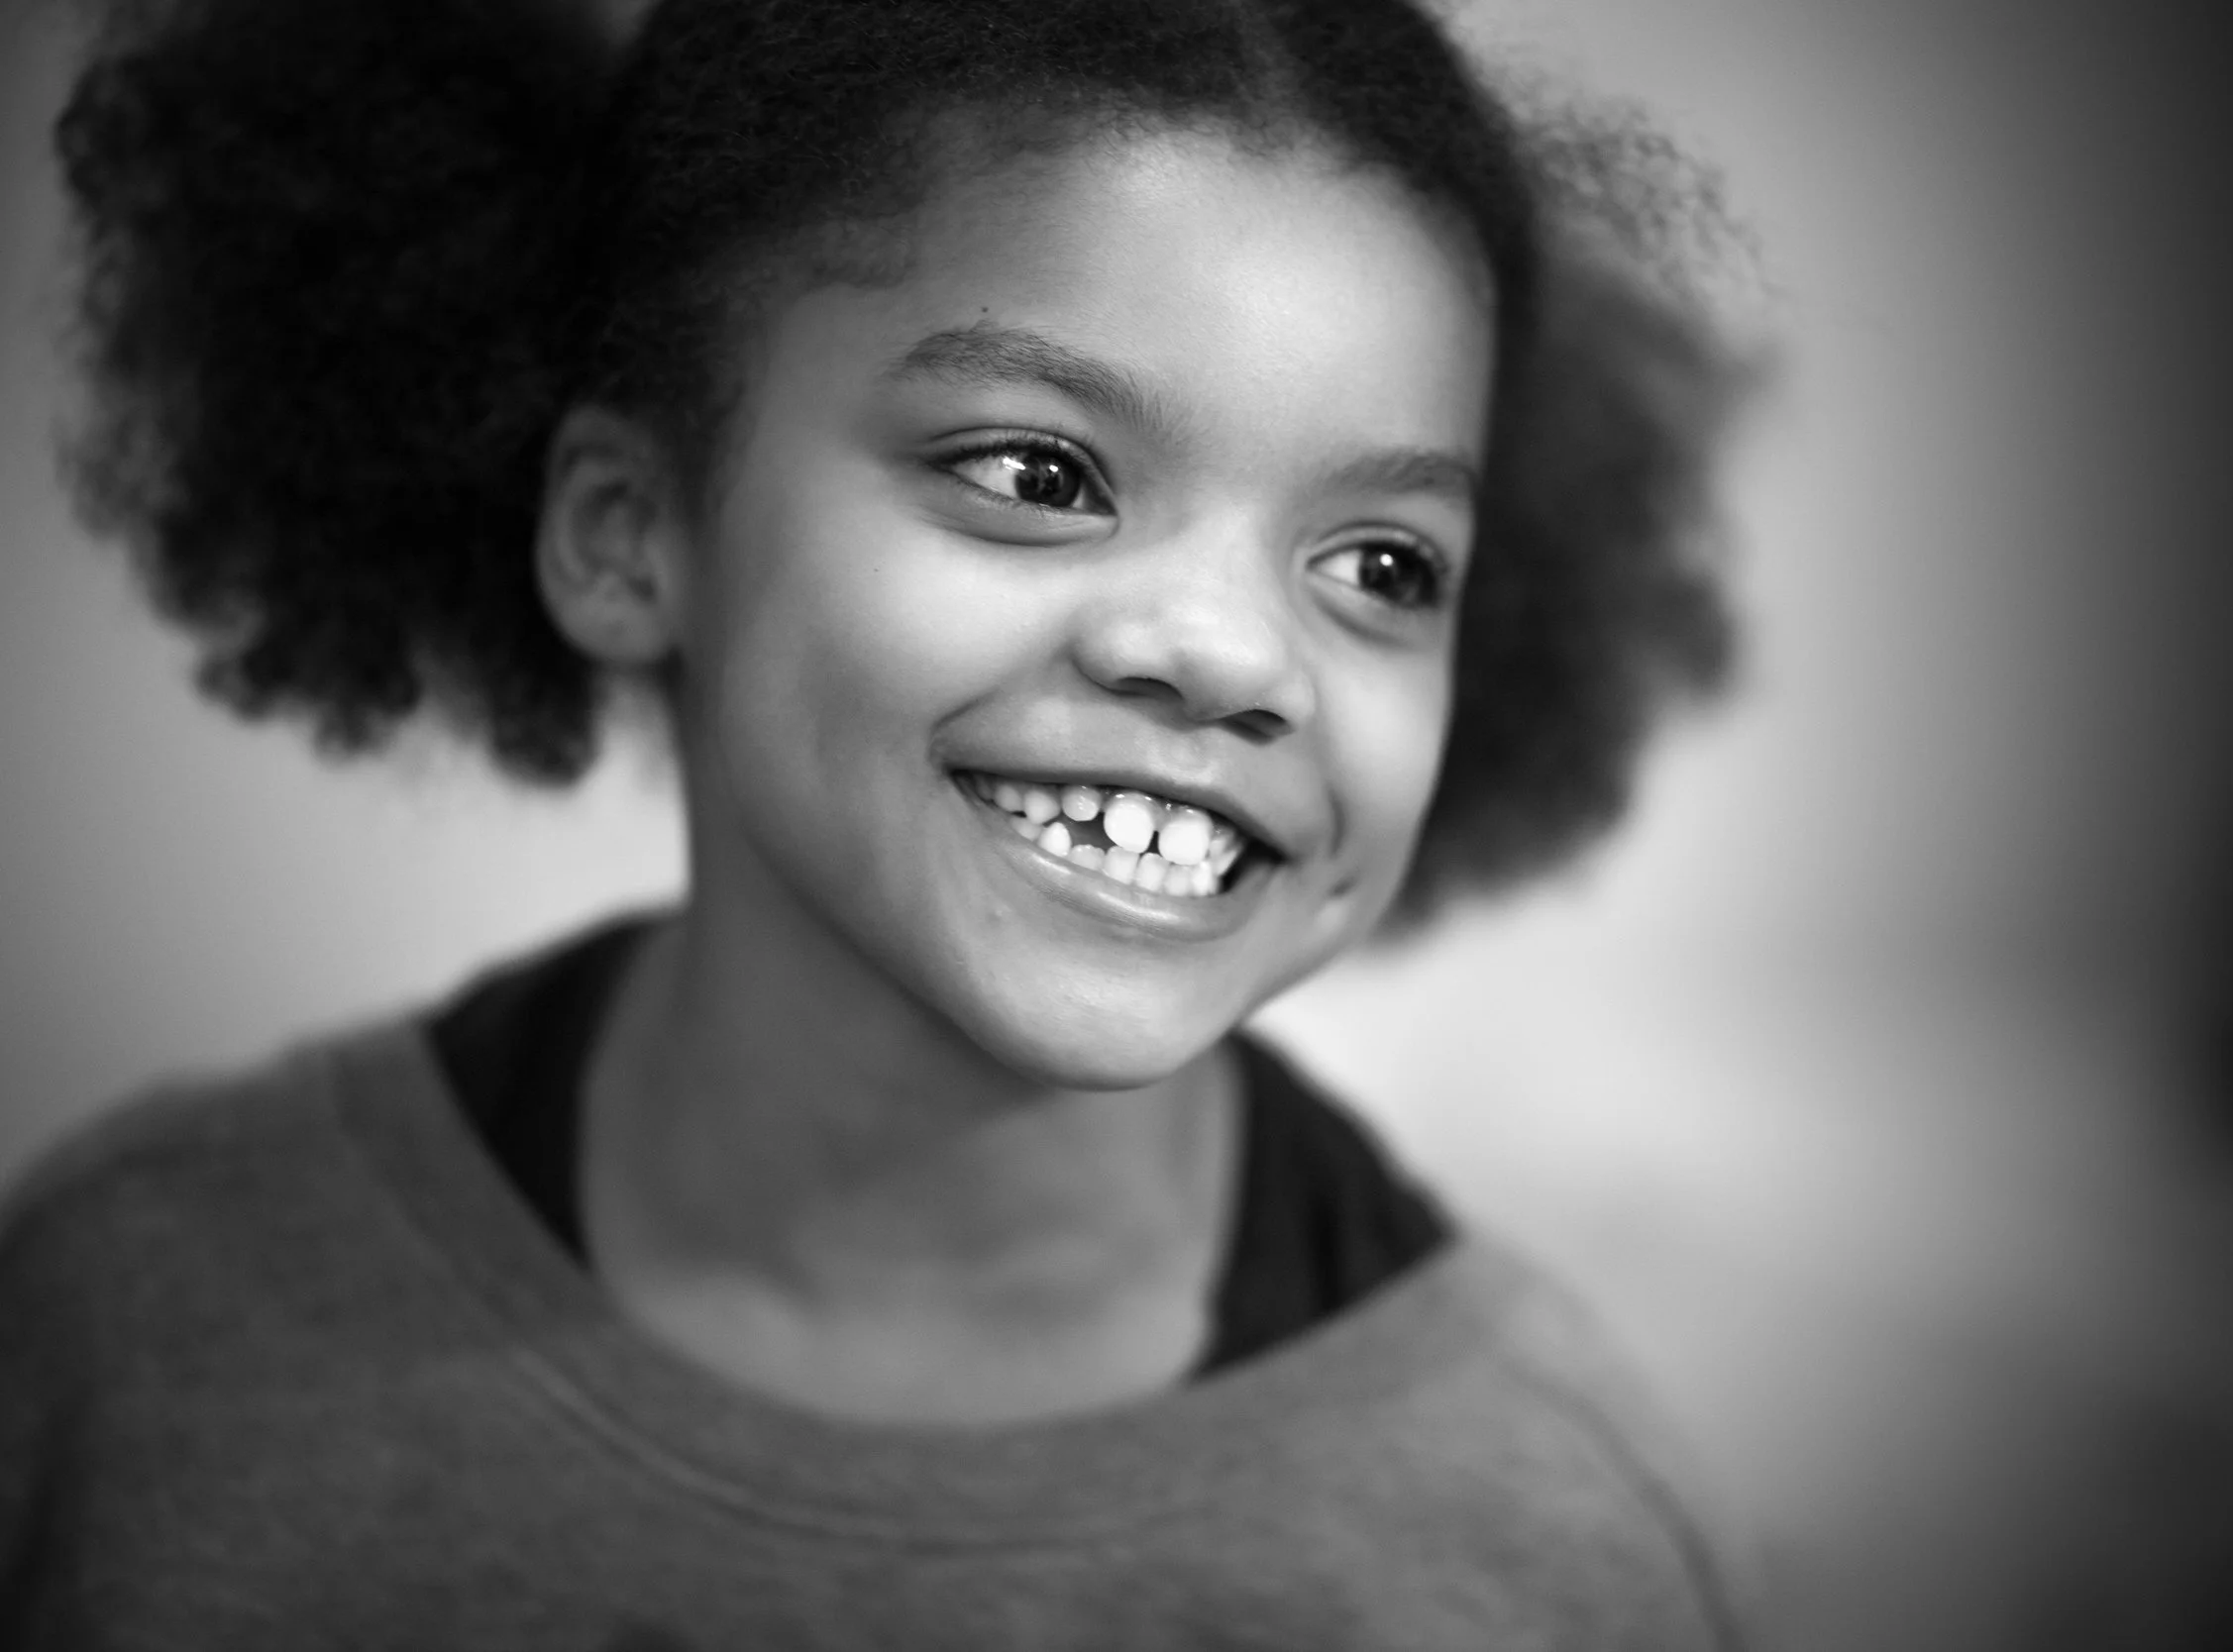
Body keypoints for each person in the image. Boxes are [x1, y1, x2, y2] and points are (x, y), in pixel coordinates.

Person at [0, 0, 1747, 1642]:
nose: (1231, 657)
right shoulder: (122, 1338)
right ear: (628, 531)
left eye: (1381, 567)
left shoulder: (1551, 1533)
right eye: (1037, 474)